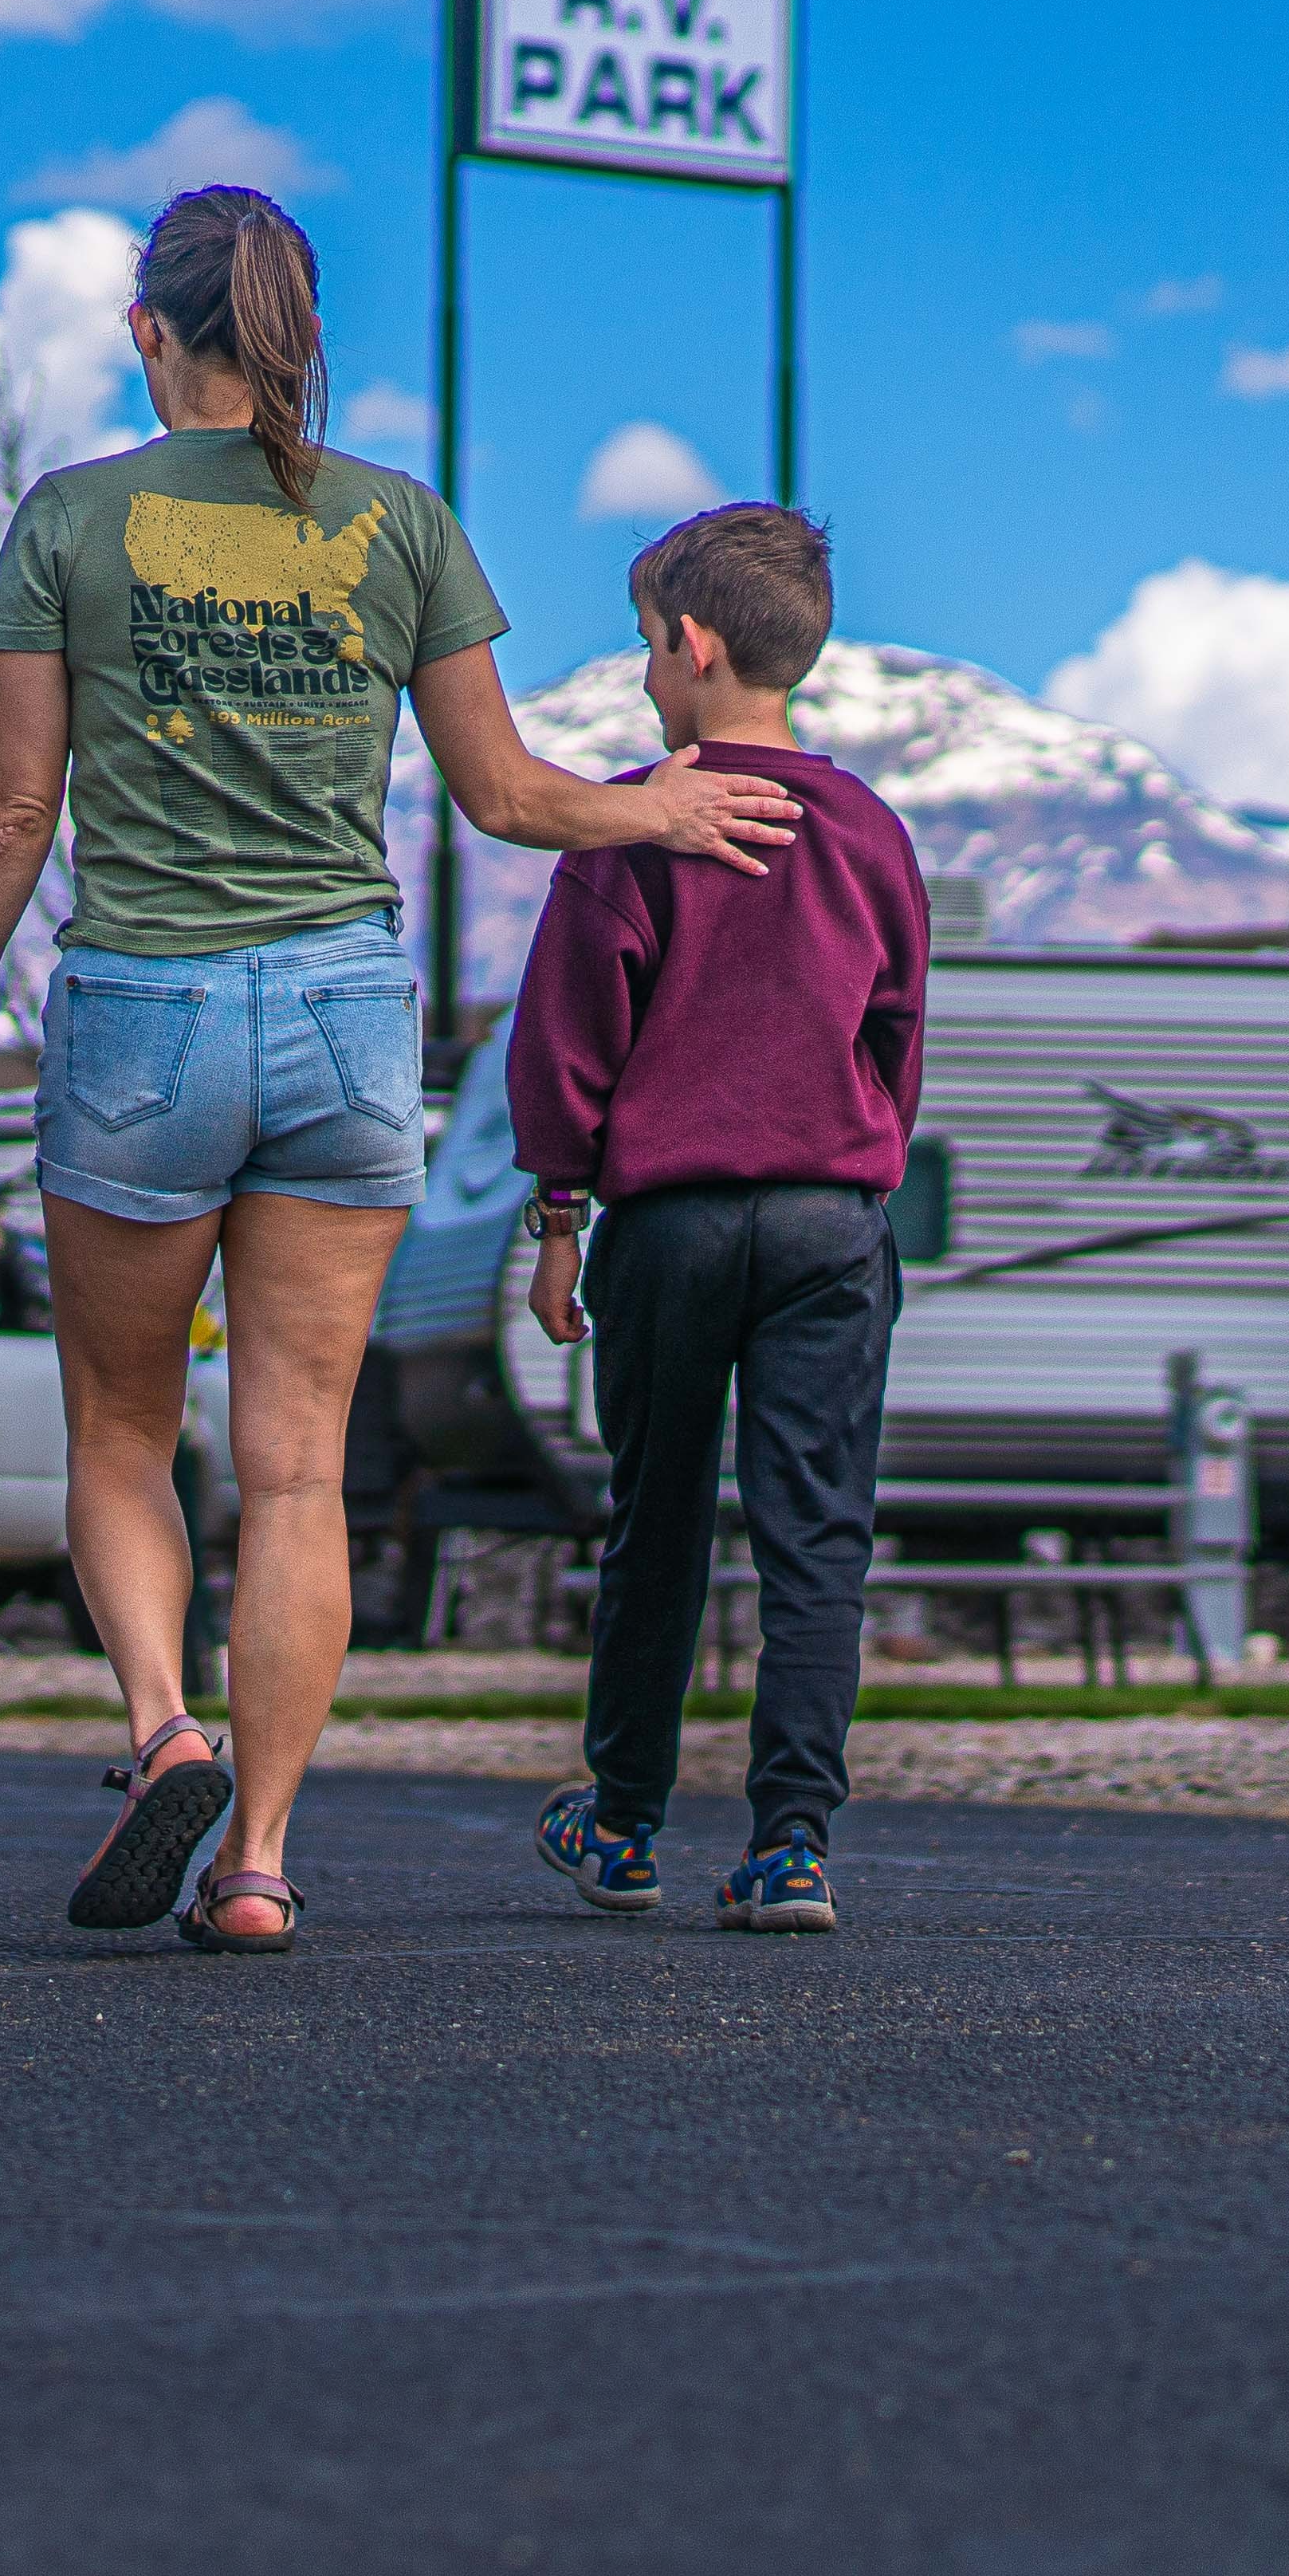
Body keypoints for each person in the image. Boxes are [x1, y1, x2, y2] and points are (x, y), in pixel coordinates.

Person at [0, 186, 806, 1952]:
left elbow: (20, 800)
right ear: (297, 334)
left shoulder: (71, 521)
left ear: (148, 334)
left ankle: (162, 1725)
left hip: (144, 1012)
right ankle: (256, 1859)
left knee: (121, 1429)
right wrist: (660, 805)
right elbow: (502, 796)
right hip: (344, 1014)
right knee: (305, 1466)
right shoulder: (398, 522)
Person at [503, 505, 931, 1933]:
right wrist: (857, 1173)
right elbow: (894, 1034)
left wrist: (559, 1215)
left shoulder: (631, 824)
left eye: (640, 649)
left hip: (673, 1227)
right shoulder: (871, 834)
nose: (638, 680)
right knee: (819, 1536)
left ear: (690, 648)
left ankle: (621, 1823)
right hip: (829, 1221)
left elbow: (567, 1042)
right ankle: (791, 1845)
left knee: (660, 1523)